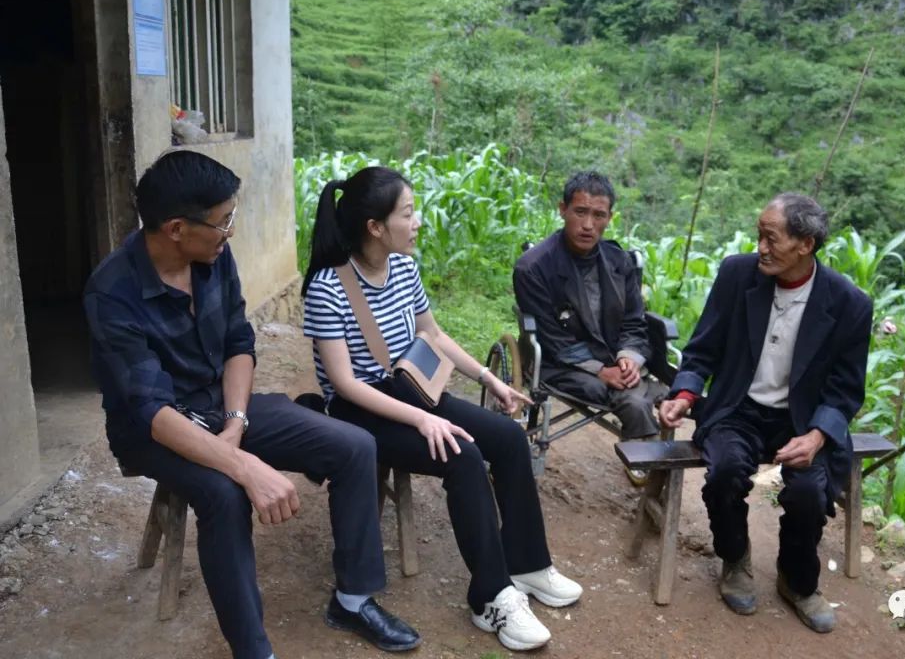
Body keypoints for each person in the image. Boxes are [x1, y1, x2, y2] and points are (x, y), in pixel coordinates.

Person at [83, 151, 420, 659]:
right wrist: (246, 468)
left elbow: (240, 344)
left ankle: (352, 599)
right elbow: (152, 411)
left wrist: (236, 425)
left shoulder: (213, 259)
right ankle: (254, 650)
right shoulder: (112, 292)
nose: (230, 232)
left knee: (355, 445)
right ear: (176, 228)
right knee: (225, 493)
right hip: (154, 429)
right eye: (223, 222)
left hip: (224, 407)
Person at [300, 166, 583, 652]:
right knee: (462, 454)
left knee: (509, 438)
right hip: (363, 412)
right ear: (374, 227)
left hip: (413, 393)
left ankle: (529, 565)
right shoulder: (328, 287)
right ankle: (491, 597)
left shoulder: (404, 268)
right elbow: (344, 384)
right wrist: (423, 419)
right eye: (408, 214)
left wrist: (490, 379)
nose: (418, 223)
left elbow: (432, 335)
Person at [658, 193, 872, 634]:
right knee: (724, 473)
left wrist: (817, 437)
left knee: (810, 494)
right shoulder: (738, 276)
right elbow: (702, 350)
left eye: (771, 238)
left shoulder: (849, 304)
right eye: (759, 236)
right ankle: (734, 559)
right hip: (739, 408)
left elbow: (846, 390)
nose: (761, 247)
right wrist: (685, 393)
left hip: (803, 421)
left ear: (805, 244)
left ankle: (797, 580)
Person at [513, 171, 663, 483]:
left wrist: (629, 358)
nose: (588, 224)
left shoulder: (618, 260)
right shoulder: (534, 267)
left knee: (636, 388)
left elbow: (635, 320)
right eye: (580, 212)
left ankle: (645, 447)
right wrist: (600, 370)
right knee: (626, 395)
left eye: (599, 215)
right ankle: (645, 449)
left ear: (610, 217)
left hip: (613, 357)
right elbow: (551, 338)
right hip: (562, 363)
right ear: (562, 209)